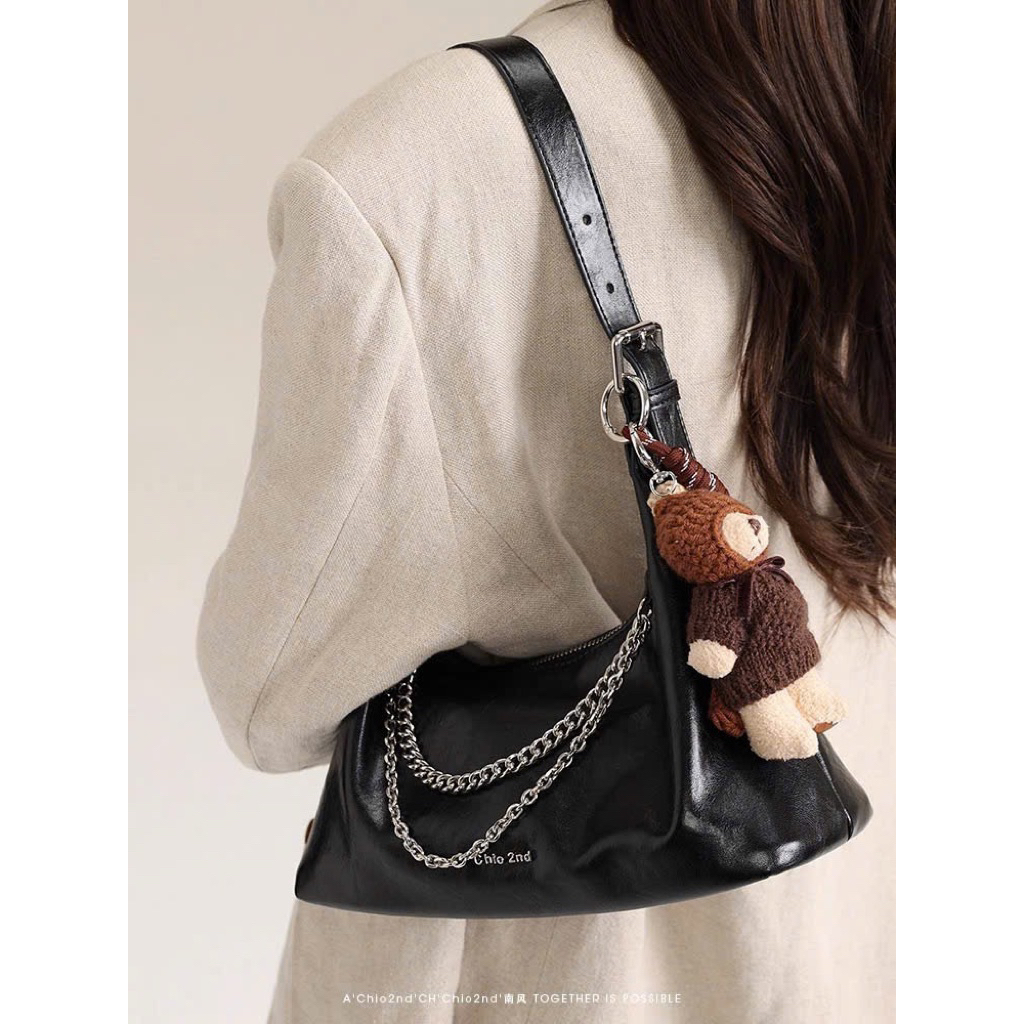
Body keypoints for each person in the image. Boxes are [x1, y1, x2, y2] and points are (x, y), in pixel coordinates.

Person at [195, 1, 895, 1021]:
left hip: (528, 972)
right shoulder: (879, 97)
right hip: (841, 938)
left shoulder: (416, 160)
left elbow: (266, 696)